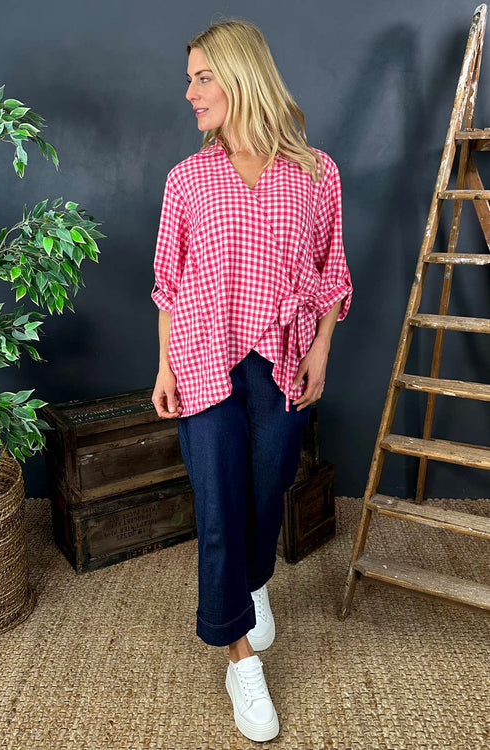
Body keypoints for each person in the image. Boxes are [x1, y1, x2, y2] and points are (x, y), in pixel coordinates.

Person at [151, 17, 352, 743]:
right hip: (202, 361)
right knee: (217, 508)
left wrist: (321, 349)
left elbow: (331, 270)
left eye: (204, 77)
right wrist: (164, 364)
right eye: (189, 79)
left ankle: (252, 580)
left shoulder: (316, 172)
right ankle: (241, 660)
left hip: (280, 364)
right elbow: (169, 285)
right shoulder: (186, 179)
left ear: (242, 76)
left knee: (267, 494)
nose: (190, 92)